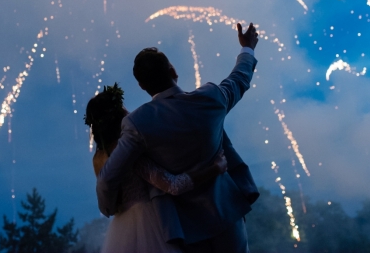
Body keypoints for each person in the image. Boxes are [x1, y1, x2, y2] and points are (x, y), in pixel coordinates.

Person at [97, 22, 259, 253]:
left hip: (183, 228)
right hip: (226, 212)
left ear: (142, 86)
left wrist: (109, 208)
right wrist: (247, 47)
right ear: (173, 71)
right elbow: (240, 78)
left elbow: (108, 178)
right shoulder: (211, 97)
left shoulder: (138, 123)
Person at [85, 84, 228, 253]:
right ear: (118, 114)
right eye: (122, 107)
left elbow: (109, 201)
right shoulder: (127, 152)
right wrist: (215, 168)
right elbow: (173, 185)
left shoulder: (100, 158)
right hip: (151, 222)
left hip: (121, 227)